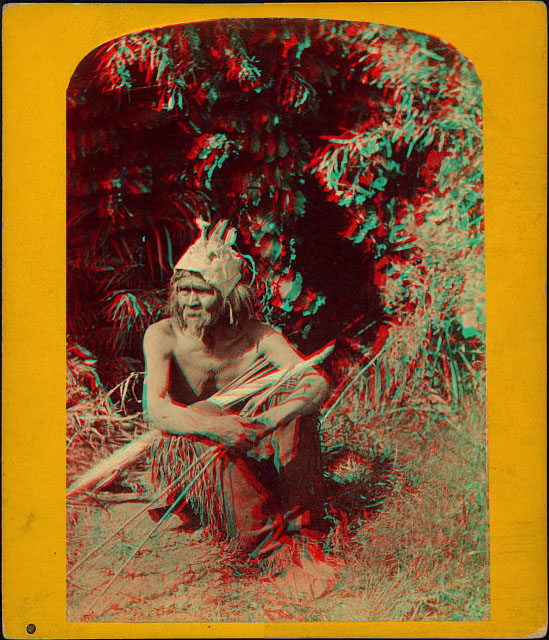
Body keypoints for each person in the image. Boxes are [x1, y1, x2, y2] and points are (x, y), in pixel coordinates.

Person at [143, 218, 338, 597]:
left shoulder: (257, 335)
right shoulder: (163, 335)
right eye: (184, 291)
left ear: (228, 296)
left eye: (203, 292)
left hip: (250, 448)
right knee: (205, 414)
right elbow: (157, 409)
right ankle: (272, 554)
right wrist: (217, 428)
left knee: (298, 404)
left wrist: (270, 419)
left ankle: (305, 531)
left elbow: (316, 381)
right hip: (197, 458)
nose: (191, 302)